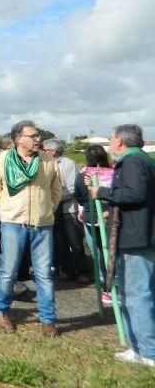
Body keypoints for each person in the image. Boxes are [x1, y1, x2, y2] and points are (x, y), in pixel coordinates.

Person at [89, 124, 155, 367]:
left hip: (138, 236)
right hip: (132, 234)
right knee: (128, 293)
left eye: (111, 137)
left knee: (139, 294)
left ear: (120, 141)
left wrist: (103, 192)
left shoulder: (133, 162)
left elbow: (135, 194)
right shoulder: (140, 160)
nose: (109, 141)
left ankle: (148, 351)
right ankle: (135, 346)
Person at [0, 120, 62, 337]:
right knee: (8, 271)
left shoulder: (47, 160)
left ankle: (48, 320)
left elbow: (55, 190)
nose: (37, 139)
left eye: (38, 135)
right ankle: (2, 312)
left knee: (45, 273)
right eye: (32, 135)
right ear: (18, 139)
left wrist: (46, 210)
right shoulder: (2, 161)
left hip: (43, 225)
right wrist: (9, 210)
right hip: (13, 224)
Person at [43, 139, 90, 284]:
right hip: (53, 210)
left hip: (68, 210)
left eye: (45, 150)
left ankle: (82, 271)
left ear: (52, 151)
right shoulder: (44, 164)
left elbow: (71, 188)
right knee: (60, 242)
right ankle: (66, 270)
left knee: (75, 242)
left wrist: (52, 198)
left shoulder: (68, 163)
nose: (43, 152)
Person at [75, 144, 113, 304]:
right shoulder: (115, 173)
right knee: (111, 251)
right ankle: (112, 287)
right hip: (110, 216)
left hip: (89, 216)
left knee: (96, 252)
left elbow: (79, 195)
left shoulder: (83, 176)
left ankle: (102, 283)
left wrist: (82, 209)